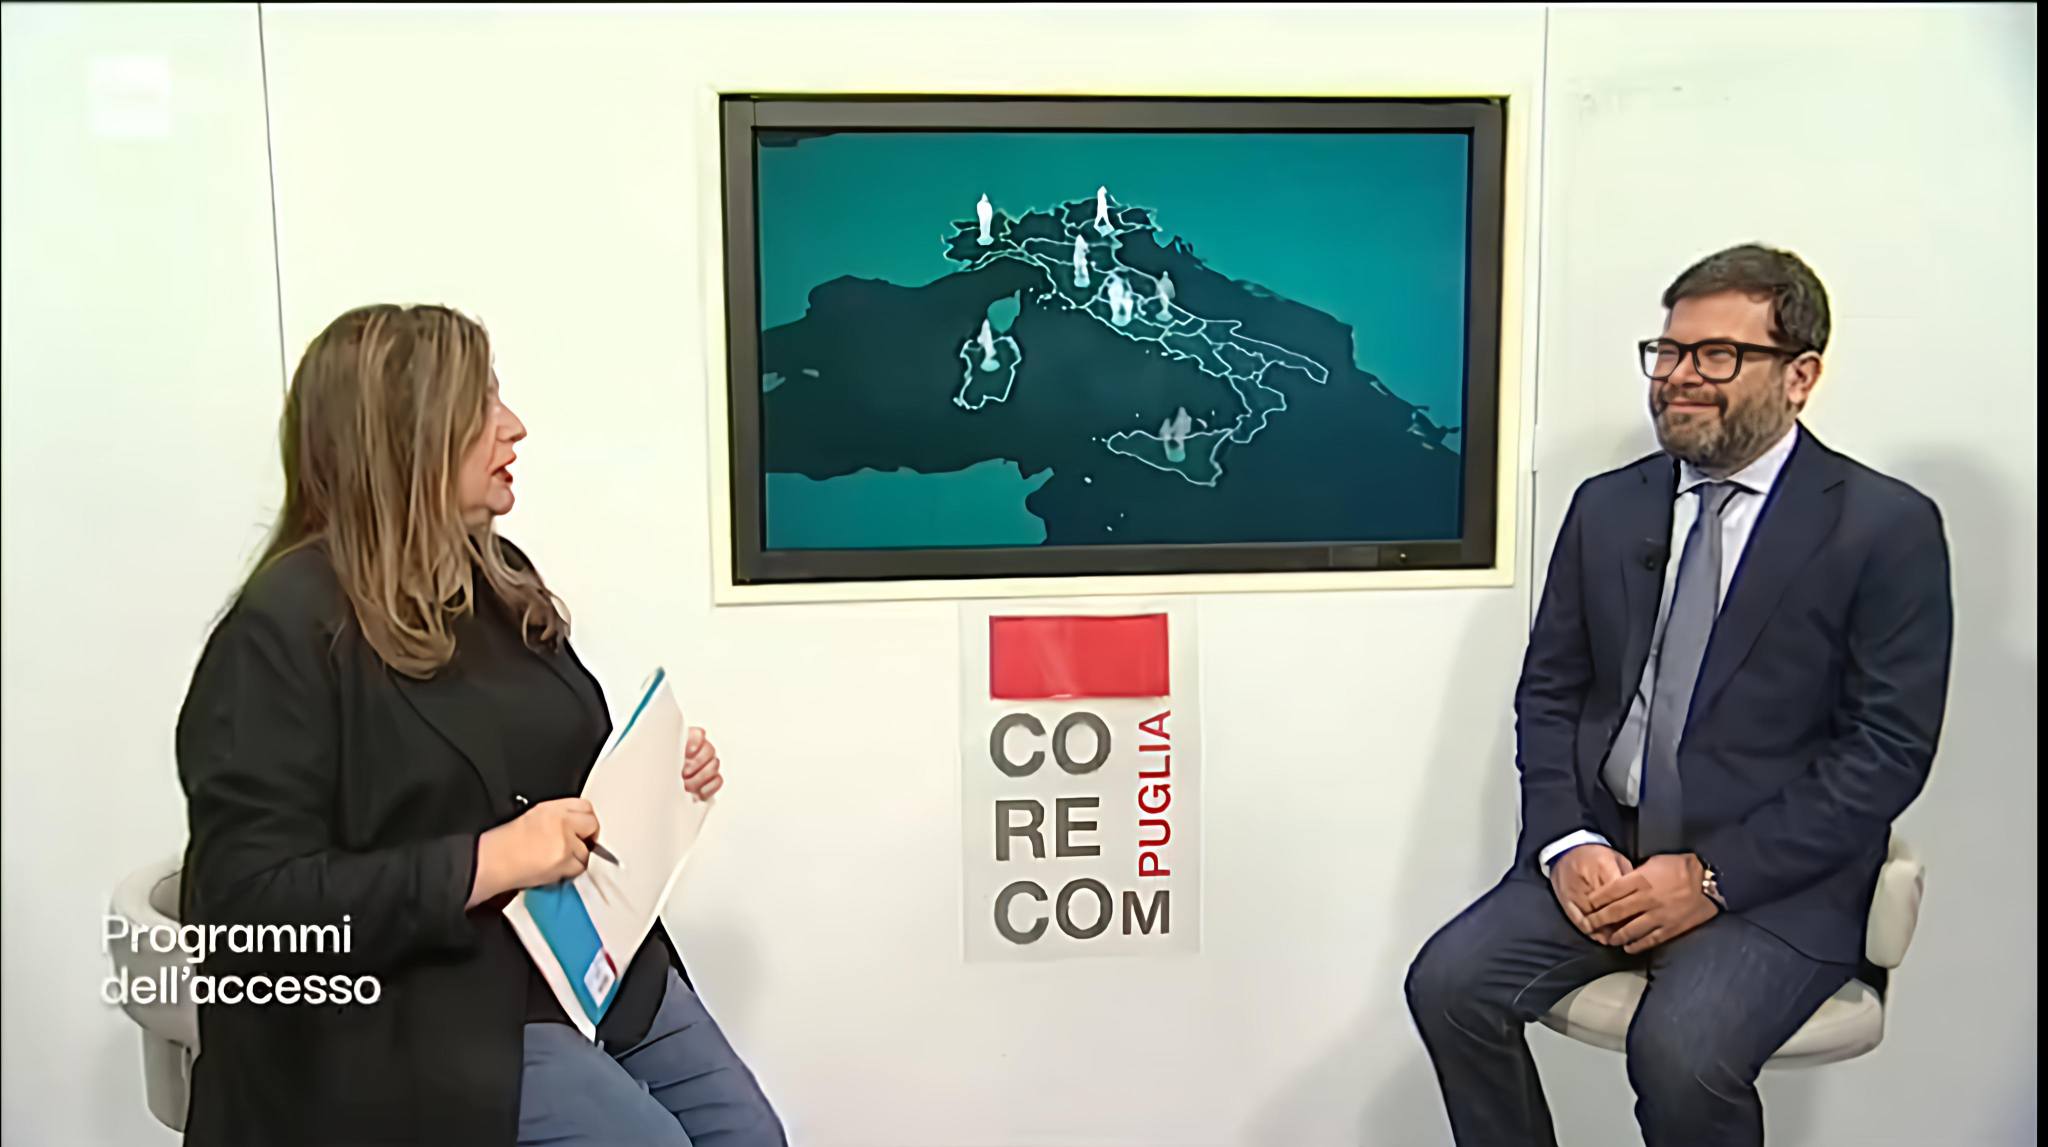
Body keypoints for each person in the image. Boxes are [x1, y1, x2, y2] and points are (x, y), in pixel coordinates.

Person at [176, 304, 786, 1146]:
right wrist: (488, 861)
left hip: (564, 961)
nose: (514, 426)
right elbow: (249, 909)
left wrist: (653, 783)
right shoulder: (280, 631)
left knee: (746, 1133)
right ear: (404, 435)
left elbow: (548, 770)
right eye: (481, 406)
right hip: (401, 1012)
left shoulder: (496, 581)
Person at [1405, 245, 1953, 1147]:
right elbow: (1550, 693)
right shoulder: (1607, 507)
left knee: (1680, 1051)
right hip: (1610, 851)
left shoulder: (1883, 526)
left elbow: (1885, 752)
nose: (1680, 376)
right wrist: (1566, 840)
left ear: (1801, 376)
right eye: (1668, 351)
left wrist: (1712, 876)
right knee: (1450, 985)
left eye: (1717, 355)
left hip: (1778, 880)